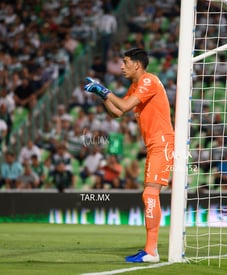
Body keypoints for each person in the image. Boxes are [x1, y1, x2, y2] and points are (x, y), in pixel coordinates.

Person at [84, 48, 175, 263]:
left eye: (125, 62)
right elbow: (117, 112)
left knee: (150, 194)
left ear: (137, 64)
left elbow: (123, 105)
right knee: (149, 194)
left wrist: (104, 90)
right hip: (153, 144)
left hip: (162, 142)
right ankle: (150, 249)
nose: (121, 67)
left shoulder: (148, 81)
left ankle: (151, 251)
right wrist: (101, 94)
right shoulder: (136, 85)